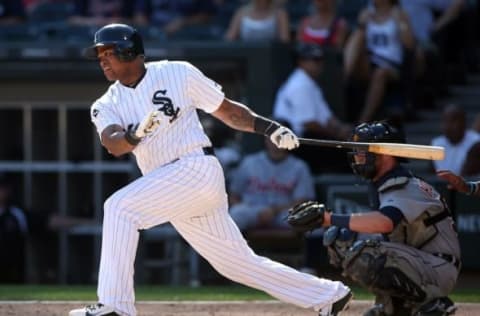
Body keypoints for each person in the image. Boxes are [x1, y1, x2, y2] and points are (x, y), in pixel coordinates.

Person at [69, 23, 352, 316]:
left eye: (108, 53)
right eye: (99, 54)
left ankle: (116, 307)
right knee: (236, 263)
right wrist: (134, 136)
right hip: (168, 186)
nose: (102, 59)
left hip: (195, 167)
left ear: (130, 52)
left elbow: (228, 111)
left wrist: (271, 128)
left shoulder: (177, 72)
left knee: (119, 208)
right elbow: (113, 144)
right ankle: (328, 295)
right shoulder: (106, 103)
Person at [288, 122, 460, 316]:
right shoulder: (385, 184)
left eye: (363, 151)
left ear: (385, 154)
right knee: (341, 239)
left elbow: (385, 222)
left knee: (368, 253)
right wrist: (337, 227)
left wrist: (329, 218)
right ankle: (395, 307)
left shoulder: (406, 186)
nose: (358, 157)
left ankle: (434, 305)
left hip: (436, 267)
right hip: (417, 259)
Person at [273, 42, 352, 173]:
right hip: (296, 143)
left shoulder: (309, 82)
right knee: (345, 152)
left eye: (320, 60)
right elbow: (309, 124)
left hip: (309, 139)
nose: (319, 64)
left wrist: (344, 129)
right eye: (314, 60)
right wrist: (338, 134)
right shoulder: (299, 84)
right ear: (301, 62)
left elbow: (327, 118)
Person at [229, 128, 315, 231]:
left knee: (311, 221)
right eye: (273, 137)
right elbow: (233, 195)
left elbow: (301, 201)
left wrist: (273, 211)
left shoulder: (299, 167)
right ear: (265, 139)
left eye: (282, 137)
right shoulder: (249, 162)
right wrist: (250, 212)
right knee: (236, 213)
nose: (276, 141)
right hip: (252, 210)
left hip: (283, 213)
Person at [343, 0, 415, 123]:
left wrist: (400, 23)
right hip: (370, 60)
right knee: (358, 36)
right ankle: (344, 76)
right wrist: (362, 25)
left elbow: (409, 44)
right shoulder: (366, 13)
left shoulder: (400, 14)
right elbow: (357, 42)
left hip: (391, 64)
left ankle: (363, 120)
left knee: (380, 73)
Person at [431, 104, 480, 176]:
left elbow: (468, 175)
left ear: (464, 122)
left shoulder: (476, 142)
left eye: (453, 120)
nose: (448, 125)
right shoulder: (436, 143)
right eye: (445, 121)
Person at [132, 0, 218, 37]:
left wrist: (184, 22)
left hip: (186, 36)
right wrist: (151, 30)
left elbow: (207, 15)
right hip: (155, 34)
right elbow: (140, 15)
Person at [0, 174, 28, 283]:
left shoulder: (17, 214)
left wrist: (84, 221)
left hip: (11, 272)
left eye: (2, 188)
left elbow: (47, 220)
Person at [224, 0, 290, 43]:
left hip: (271, 57)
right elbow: (229, 40)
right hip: (246, 57)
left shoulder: (280, 13)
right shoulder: (241, 12)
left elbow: (284, 42)